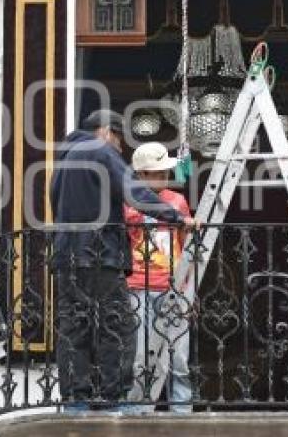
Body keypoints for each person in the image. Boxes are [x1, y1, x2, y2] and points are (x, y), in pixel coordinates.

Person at [50, 109, 197, 410]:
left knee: (74, 330)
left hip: (67, 258)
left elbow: (55, 204)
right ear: (107, 132)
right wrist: (176, 217)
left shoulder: (62, 162)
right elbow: (133, 192)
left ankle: (75, 402)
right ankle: (110, 400)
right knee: (117, 328)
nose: (119, 151)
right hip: (99, 256)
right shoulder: (100, 151)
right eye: (119, 143)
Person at [124, 142, 193, 413]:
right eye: (158, 172)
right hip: (137, 288)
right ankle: (135, 419)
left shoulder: (177, 201)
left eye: (165, 171)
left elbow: (187, 248)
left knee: (179, 361)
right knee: (140, 359)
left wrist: (188, 291)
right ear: (141, 175)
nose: (164, 176)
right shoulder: (127, 203)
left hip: (173, 289)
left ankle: (182, 420)